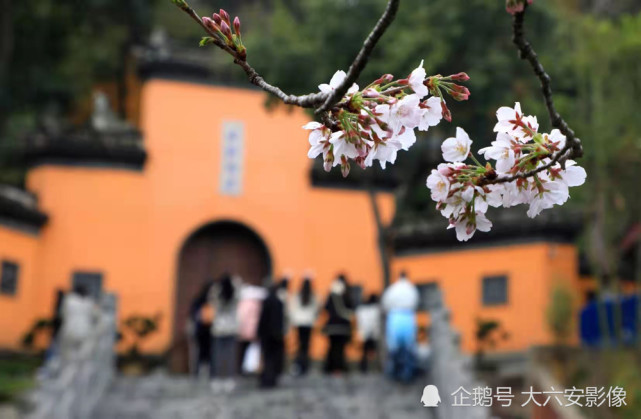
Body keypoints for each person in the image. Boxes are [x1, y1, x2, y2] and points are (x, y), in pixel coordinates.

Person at [382, 271, 419, 382]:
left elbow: (385, 303)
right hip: (408, 316)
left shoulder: (393, 289)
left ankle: (394, 371)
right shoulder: (411, 289)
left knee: (394, 346)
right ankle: (407, 372)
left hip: (395, 317)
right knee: (408, 346)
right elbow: (416, 302)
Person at [208, 274, 240, 392]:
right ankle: (229, 379)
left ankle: (217, 379)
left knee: (218, 356)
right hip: (231, 329)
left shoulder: (217, 295)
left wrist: (217, 287)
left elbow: (211, 298)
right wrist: (235, 283)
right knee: (230, 357)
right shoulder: (234, 296)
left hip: (218, 329)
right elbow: (240, 293)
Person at [323, 275, 353, 374]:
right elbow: (351, 308)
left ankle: (330, 367)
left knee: (332, 347)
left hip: (332, 326)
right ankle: (339, 367)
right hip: (343, 326)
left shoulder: (332, 294)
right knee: (340, 348)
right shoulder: (346, 293)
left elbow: (326, 308)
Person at [257, 282, 285, 388]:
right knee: (274, 357)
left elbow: (263, 319)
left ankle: (266, 379)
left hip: (266, 334)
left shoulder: (266, 302)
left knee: (267, 357)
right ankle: (272, 378)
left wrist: (259, 332)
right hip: (276, 334)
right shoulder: (279, 302)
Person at [288, 276, 318, 375]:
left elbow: (292, 309)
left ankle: (299, 365)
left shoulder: (297, 296)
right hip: (308, 323)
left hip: (299, 323)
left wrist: (293, 321)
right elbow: (316, 309)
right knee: (306, 346)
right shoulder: (312, 296)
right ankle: (305, 365)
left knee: (300, 345)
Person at [59, 285, 96, 364]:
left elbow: (63, 313)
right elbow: (94, 316)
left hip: (70, 330)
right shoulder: (89, 302)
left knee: (68, 356)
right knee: (82, 356)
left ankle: (70, 370)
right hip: (84, 330)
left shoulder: (69, 300)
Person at [236, 282, 266, 374]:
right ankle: (255, 368)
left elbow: (241, 317)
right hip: (256, 330)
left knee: (244, 350)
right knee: (256, 350)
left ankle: (242, 368)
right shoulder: (260, 303)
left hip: (245, 331)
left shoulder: (243, 303)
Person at [188, 280, 214, 378]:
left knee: (207, 352)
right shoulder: (201, 300)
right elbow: (193, 315)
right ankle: (198, 372)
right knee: (200, 352)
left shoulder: (212, 301)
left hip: (208, 330)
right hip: (202, 330)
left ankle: (204, 372)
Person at [355, 293, 381, 373]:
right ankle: (377, 367)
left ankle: (364, 367)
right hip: (374, 333)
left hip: (365, 332)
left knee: (365, 351)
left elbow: (359, 319)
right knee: (376, 350)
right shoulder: (376, 309)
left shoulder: (361, 309)